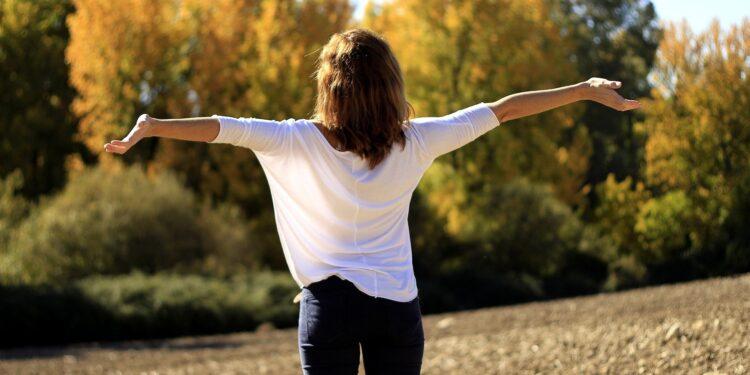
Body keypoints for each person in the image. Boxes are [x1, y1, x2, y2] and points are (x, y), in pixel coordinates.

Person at [104, 28, 640, 375]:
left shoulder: (295, 139)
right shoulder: (418, 139)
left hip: (329, 310)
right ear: (390, 85)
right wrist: (583, 88)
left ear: (329, 88)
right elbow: (502, 110)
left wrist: (152, 127)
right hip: (397, 308)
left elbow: (221, 128)